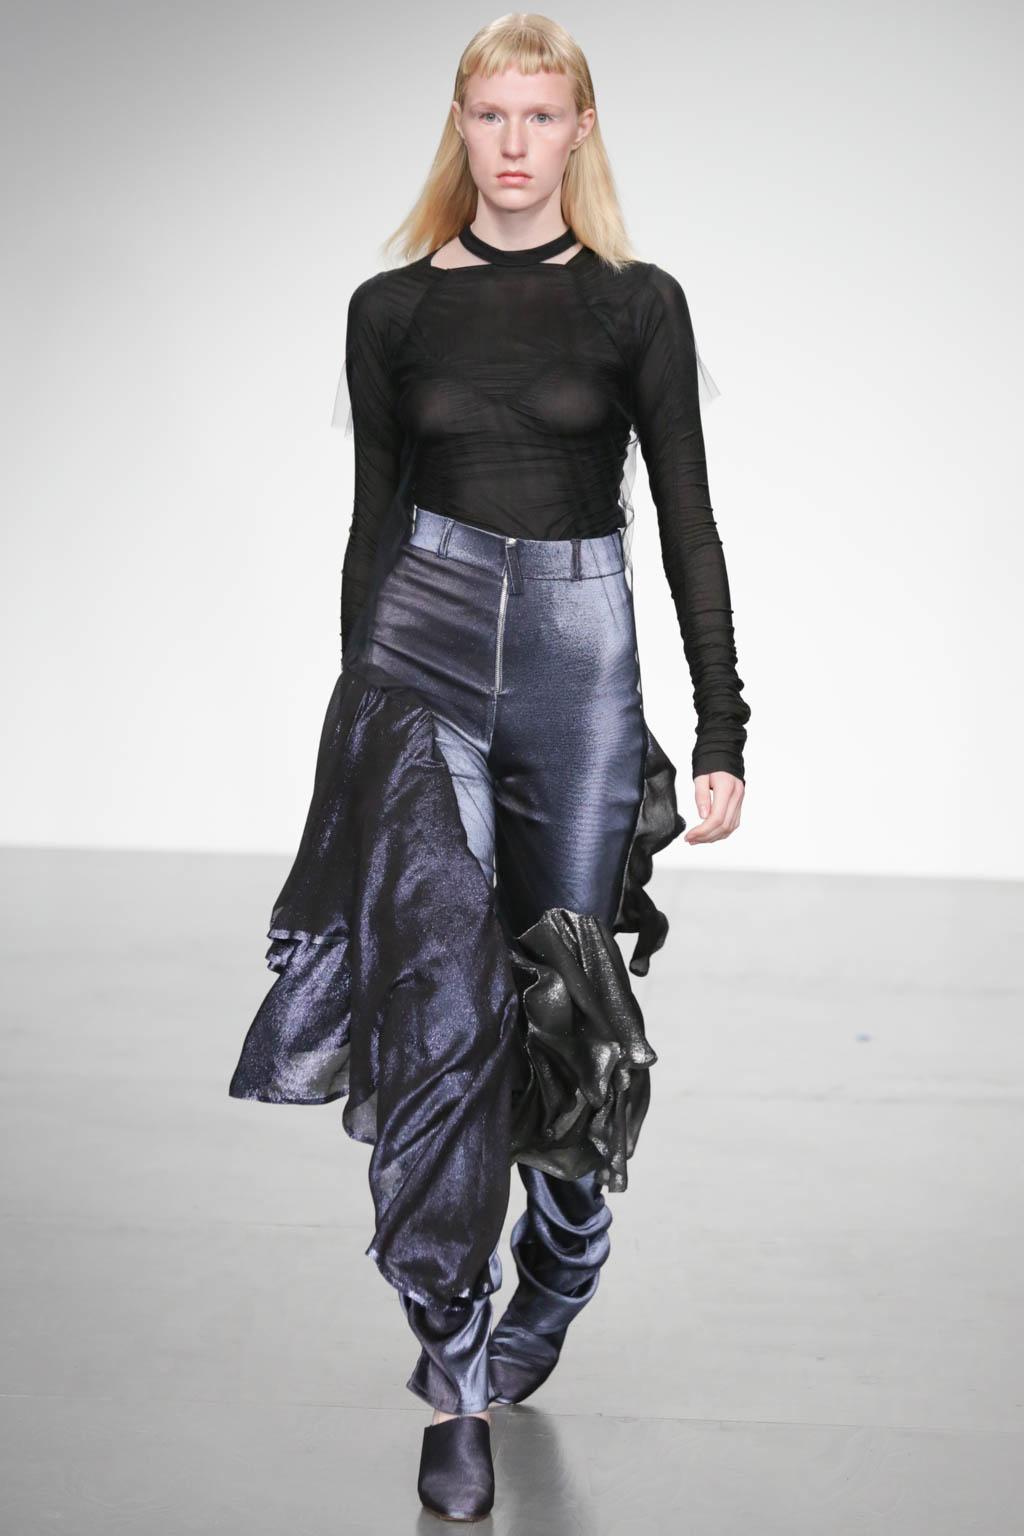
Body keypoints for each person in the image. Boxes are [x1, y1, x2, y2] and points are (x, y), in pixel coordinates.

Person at [229, 11, 750, 1523]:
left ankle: (563, 1260)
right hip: (425, 646)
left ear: (580, 131)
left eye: (540, 115)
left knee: (567, 993)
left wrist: (723, 726)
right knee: (439, 1008)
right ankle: (453, 1368)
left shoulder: (638, 305)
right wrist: (355, 720)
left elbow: (689, 520)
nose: (513, 143)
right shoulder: (390, 309)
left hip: (583, 661)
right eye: (489, 115)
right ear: (458, 127)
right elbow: (371, 520)